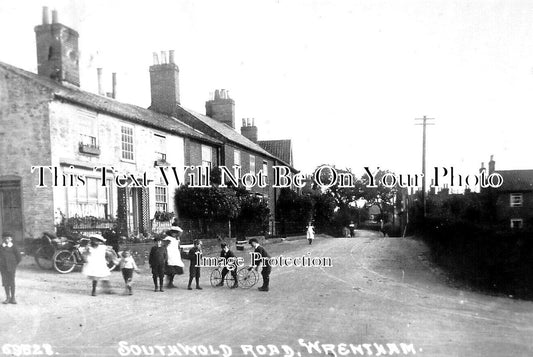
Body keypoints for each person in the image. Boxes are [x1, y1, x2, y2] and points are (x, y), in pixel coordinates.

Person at [0, 233, 21, 304]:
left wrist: (14, 264)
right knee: (5, 282)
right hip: (3, 268)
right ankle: (7, 297)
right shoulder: (1, 247)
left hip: (11, 267)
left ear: (11, 239)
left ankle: (13, 298)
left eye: (8, 238)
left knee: (12, 282)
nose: (7, 240)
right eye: (5, 238)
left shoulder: (14, 247)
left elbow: (19, 257)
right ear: (3, 239)